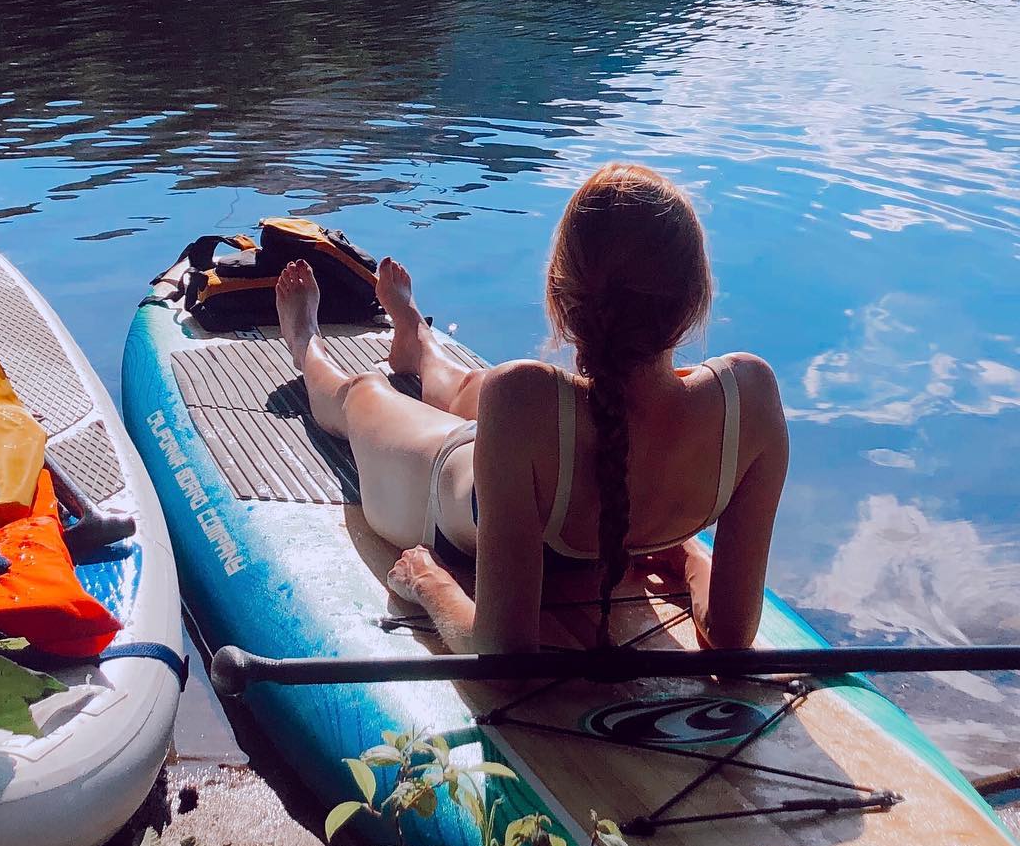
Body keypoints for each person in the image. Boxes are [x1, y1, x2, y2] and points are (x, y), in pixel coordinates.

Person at [273, 162, 788, 654]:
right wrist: (689, 551)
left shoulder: (522, 398)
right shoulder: (751, 399)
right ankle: (417, 338)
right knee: (474, 386)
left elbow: (501, 651)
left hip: (444, 504)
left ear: (560, 297)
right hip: (527, 464)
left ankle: (304, 342)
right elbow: (730, 635)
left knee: (364, 394)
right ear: (697, 298)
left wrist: (428, 582)